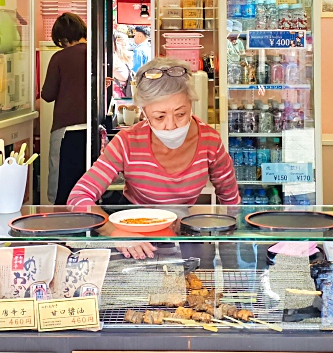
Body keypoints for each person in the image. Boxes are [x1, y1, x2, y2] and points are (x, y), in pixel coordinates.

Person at [68, 58, 239, 257]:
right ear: (144, 113)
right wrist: (116, 233)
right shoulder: (127, 142)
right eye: (159, 117)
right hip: (131, 235)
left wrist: (232, 246)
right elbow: (78, 197)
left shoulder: (209, 140)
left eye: (181, 113)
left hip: (181, 230)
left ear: (191, 104)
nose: (171, 125)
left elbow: (231, 201)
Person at [40, 12, 89, 205]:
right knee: (86, 183)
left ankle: (59, 227)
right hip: (92, 128)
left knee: (61, 186)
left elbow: (48, 94)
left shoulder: (59, 58)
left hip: (65, 129)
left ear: (63, 39)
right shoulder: (96, 53)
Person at [111, 30, 133, 100]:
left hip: (121, 95)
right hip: (117, 96)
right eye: (125, 42)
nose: (127, 45)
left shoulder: (118, 58)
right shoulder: (113, 59)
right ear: (118, 41)